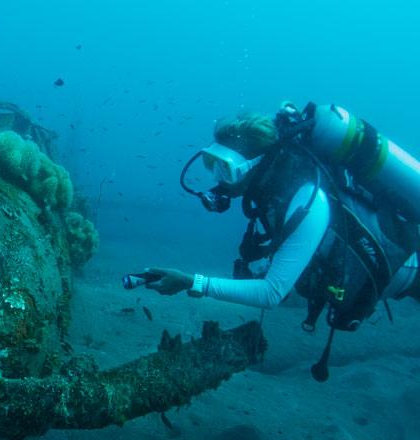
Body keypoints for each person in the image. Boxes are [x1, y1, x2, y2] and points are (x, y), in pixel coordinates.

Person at [138, 102, 420, 381]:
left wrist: (191, 282)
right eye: (212, 165)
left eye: (226, 168)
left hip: (409, 271)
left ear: (254, 165)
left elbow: (271, 292)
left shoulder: (308, 197)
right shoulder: (272, 191)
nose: (218, 180)